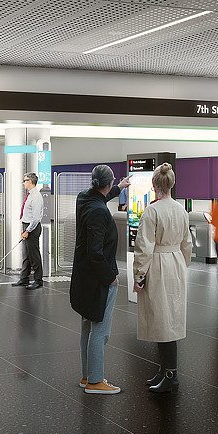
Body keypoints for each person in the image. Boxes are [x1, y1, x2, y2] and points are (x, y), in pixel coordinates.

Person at [132, 163, 193, 393]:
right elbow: (187, 244)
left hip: (157, 265)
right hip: (175, 263)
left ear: (154, 185)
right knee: (170, 317)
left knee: (161, 318)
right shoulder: (181, 210)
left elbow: (144, 247)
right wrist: (181, 263)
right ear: (172, 184)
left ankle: (170, 375)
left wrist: (139, 275)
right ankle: (164, 369)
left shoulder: (152, 211)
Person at [70, 165, 130, 395]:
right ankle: (96, 381)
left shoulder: (83, 199)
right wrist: (110, 277)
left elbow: (99, 196)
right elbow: (96, 252)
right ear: (108, 183)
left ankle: (87, 376)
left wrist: (118, 188)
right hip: (98, 278)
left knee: (87, 325)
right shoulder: (99, 211)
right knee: (101, 329)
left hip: (84, 276)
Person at [12, 172, 45, 290]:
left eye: (24, 181)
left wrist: (28, 230)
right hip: (27, 226)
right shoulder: (30, 195)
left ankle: (38, 280)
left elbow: (36, 218)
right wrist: (24, 228)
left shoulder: (36, 196)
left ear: (30, 182)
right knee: (26, 255)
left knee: (34, 255)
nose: (23, 183)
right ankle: (24, 279)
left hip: (32, 228)